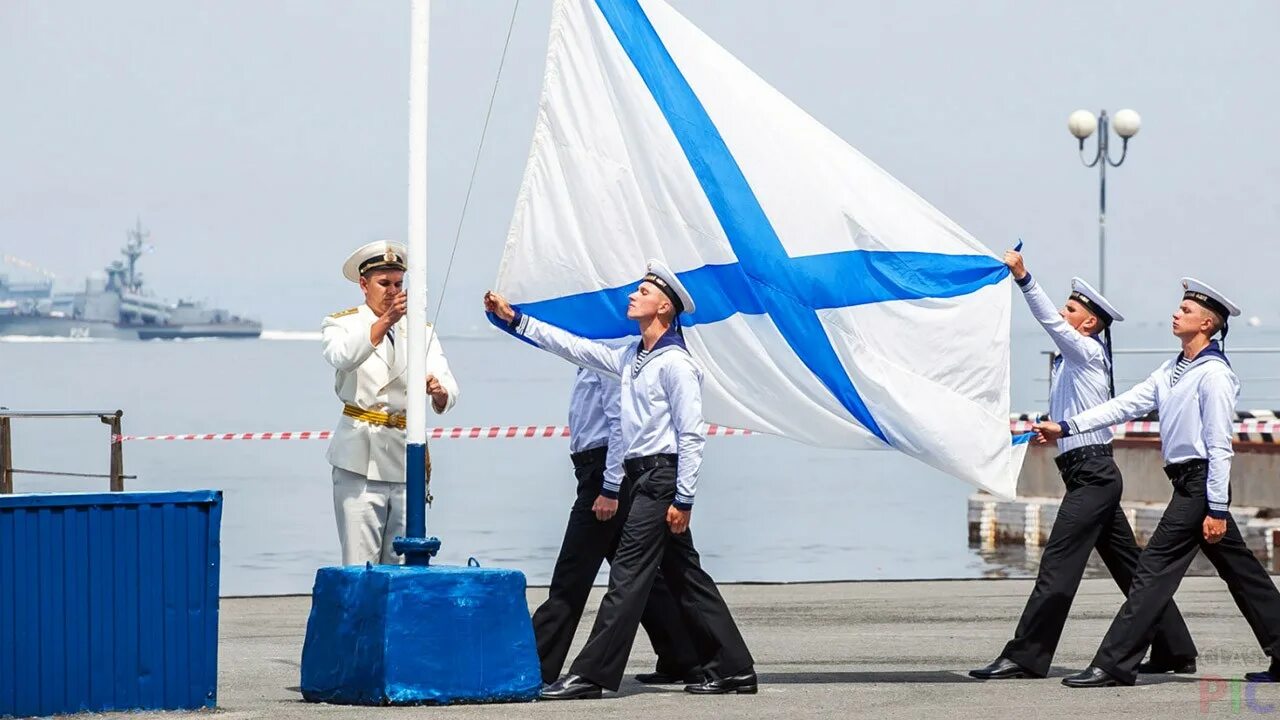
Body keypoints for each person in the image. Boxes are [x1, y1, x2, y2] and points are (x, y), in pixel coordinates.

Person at [484, 259, 755, 699]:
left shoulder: (676, 365)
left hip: (660, 479)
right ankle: (735, 669)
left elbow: (691, 435)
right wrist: (517, 319)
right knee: (687, 578)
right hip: (641, 477)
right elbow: (573, 347)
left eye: (644, 292)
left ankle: (591, 675)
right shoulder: (631, 357)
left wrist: (684, 499)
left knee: (627, 577)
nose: (633, 295)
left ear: (664, 307)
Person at [1035, 278, 1280, 687]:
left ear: (1206, 324)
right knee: (1244, 574)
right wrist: (1067, 426)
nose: (1176, 313)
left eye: (1186, 310)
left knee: (1151, 570)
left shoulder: (1215, 375)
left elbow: (1220, 447)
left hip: (1201, 486)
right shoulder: (1173, 369)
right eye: (1179, 307)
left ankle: (1114, 664)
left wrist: (1216, 508)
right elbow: (1124, 405)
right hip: (1186, 484)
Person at [970, 251, 1197, 680]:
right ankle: (1175, 649)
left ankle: (1025, 656)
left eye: (1070, 309)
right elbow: (1075, 410)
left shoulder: (1086, 350)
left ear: (1088, 323)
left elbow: (1049, 323)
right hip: (1089, 471)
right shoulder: (1075, 359)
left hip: (1092, 477)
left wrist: (1024, 278)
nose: (1061, 312)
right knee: (1132, 568)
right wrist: (1054, 431)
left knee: (1057, 565)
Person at [531, 367, 700, 685]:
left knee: (572, 574)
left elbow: (620, 428)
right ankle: (682, 656)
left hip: (605, 474)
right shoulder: (588, 360)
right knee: (644, 577)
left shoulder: (603, 362)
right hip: (597, 472)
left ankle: (535, 665)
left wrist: (609, 488)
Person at [321, 240, 458, 565]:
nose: (393, 291)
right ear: (364, 284)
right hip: (361, 455)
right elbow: (343, 357)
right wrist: (383, 323)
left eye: (398, 284)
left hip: (404, 456)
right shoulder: (344, 324)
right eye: (384, 284)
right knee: (360, 563)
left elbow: (448, 384)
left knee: (401, 562)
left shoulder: (420, 330)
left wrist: (439, 391)